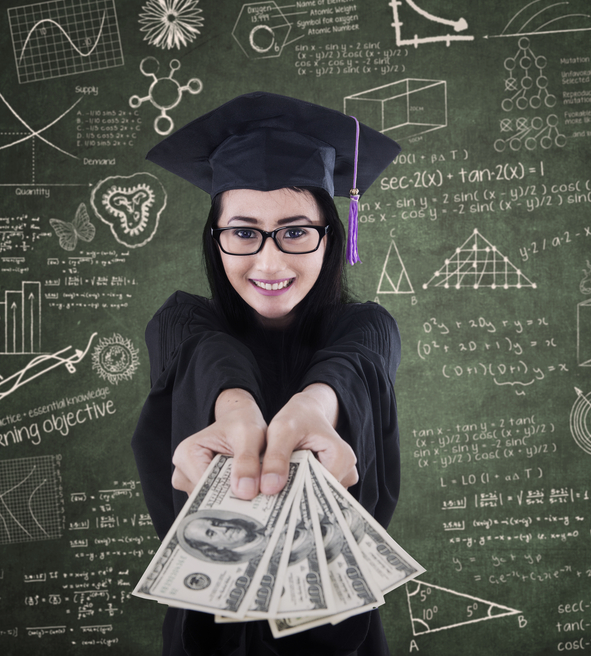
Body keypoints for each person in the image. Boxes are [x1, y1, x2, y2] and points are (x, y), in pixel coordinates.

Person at [131, 92, 402, 656]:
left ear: (331, 236)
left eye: (296, 231)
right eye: (244, 232)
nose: (270, 263)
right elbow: (200, 351)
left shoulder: (363, 327)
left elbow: (356, 363)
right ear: (216, 238)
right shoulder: (184, 322)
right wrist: (234, 406)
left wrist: (315, 407)